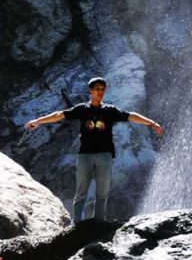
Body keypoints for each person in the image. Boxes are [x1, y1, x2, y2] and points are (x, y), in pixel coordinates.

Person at [25, 76, 163, 222]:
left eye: (102, 89)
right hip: (85, 155)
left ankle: (98, 223)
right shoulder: (82, 109)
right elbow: (60, 115)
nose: (100, 92)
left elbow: (130, 116)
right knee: (81, 191)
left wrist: (151, 123)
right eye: (97, 89)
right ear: (90, 90)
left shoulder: (110, 110)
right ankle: (77, 222)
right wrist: (38, 122)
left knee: (102, 192)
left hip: (105, 155)